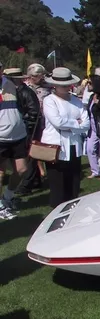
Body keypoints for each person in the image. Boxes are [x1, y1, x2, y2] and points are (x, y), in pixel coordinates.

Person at [41, 68, 90, 208]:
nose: (66, 87)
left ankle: (72, 211)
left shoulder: (76, 100)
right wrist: (76, 123)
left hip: (74, 145)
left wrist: (73, 124)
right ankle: (57, 214)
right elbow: (57, 122)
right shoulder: (49, 100)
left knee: (73, 183)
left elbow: (86, 122)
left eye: (68, 84)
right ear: (54, 85)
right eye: (63, 85)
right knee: (58, 185)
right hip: (56, 148)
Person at [17, 63, 52, 195]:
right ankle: (34, 180)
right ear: (32, 76)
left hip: (44, 122)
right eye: (39, 75)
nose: (42, 77)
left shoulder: (48, 88)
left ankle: (30, 182)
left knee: (37, 151)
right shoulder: (25, 88)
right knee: (32, 152)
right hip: (32, 123)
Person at [0, 64, 29, 219]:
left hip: (18, 135)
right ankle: (0, 207)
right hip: (1, 138)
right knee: (1, 173)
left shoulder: (10, 83)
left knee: (22, 170)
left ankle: (8, 197)